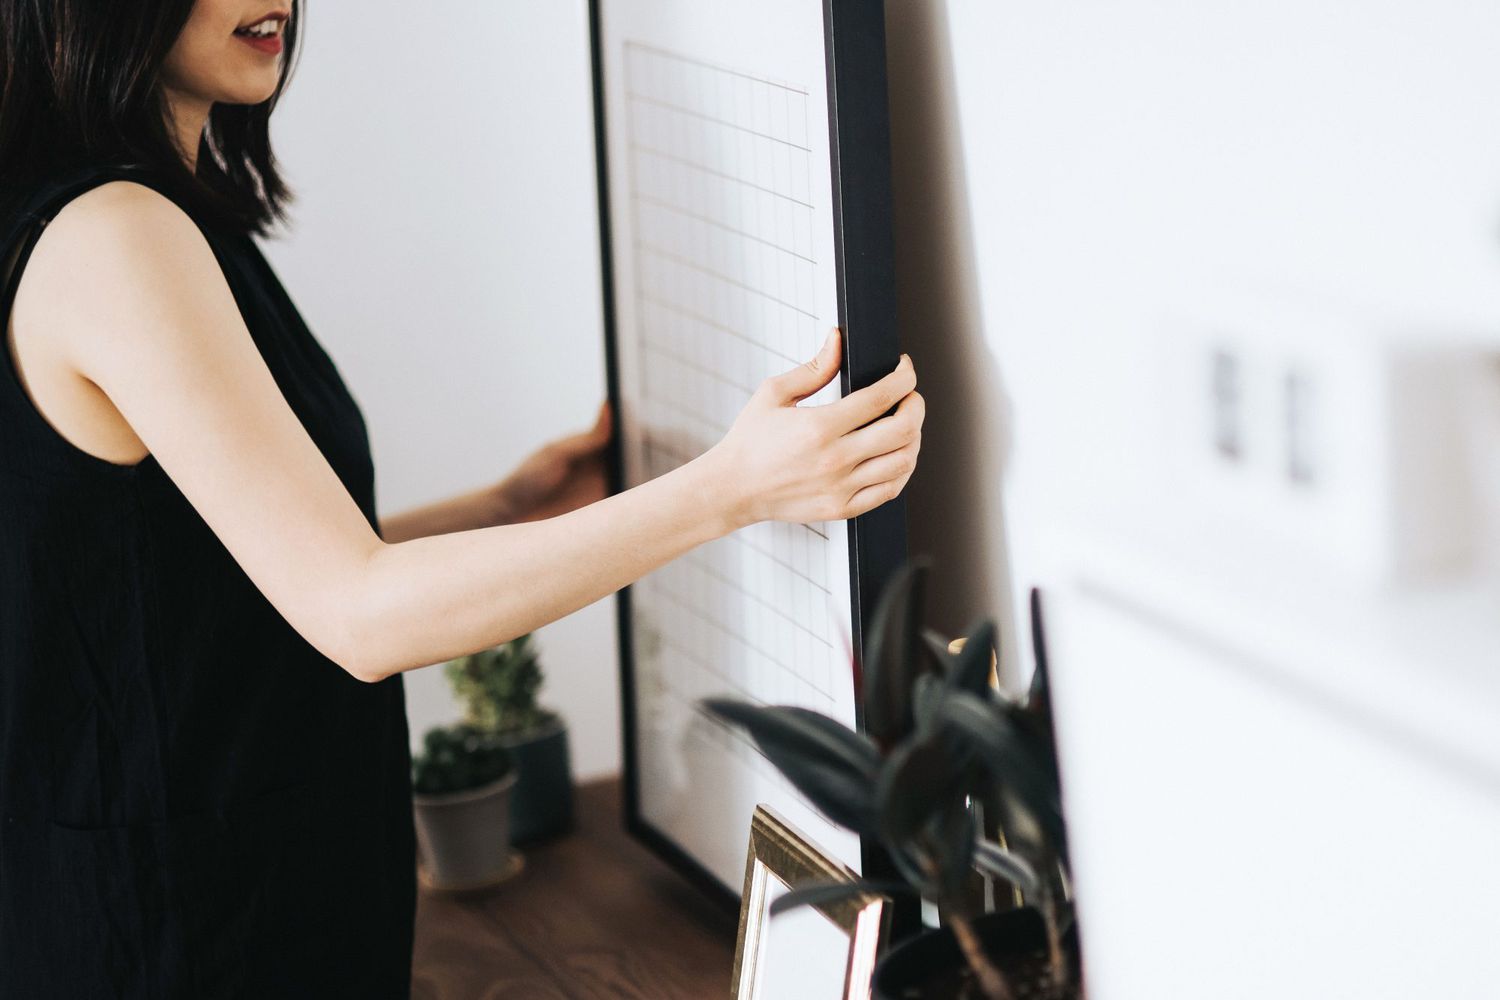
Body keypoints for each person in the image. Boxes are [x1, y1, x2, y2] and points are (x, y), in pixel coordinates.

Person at [0, 1, 925, 997]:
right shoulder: (117, 236)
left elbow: (215, 572)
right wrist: (730, 489)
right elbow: (355, 612)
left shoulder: (134, 214)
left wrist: (506, 508)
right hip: (181, 935)